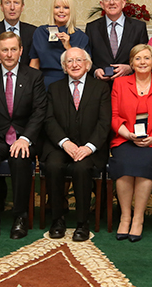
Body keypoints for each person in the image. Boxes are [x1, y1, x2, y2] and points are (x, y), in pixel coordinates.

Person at [0, 32, 47, 239]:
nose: (9, 54)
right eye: (4, 50)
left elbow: (40, 111)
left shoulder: (34, 77)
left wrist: (26, 139)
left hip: (24, 137)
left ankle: (20, 216)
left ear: (21, 51)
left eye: (14, 49)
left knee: (20, 158)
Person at [109, 44, 152, 242]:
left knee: (144, 164)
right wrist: (128, 135)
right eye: (138, 58)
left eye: (147, 58)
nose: (142, 62)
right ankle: (125, 216)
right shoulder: (120, 84)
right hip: (125, 138)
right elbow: (113, 117)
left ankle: (138, 218)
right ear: (131, 62)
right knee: (123, 164)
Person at [43, 47, 111, 242]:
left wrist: (89, 147)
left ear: (88, 65)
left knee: (81, 169)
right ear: (64, 66)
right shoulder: (54, 88)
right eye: (69, 61)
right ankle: (57, 219)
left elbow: (104, 122)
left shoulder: (101, 88)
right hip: (60, 145)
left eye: (79, 60)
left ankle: (82, 223)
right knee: (54, 166)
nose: (74, 65)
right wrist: (65, 143)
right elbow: (48, 120)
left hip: (90, 147)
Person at [85, 0, 148, 83]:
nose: (111, 2)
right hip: (100, 86)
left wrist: (130, 68)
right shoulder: (92, 28)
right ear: (102, 4)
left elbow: (145, 57)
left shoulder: (139, 27)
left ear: (123, 3)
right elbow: (86, 57)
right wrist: (95, 71)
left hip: (129, 85)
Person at [29, 0, 90, 89]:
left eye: (66, 7)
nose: (61, 11)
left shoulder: (81, 36)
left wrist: (68, 47)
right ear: (52, 10)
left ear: (71, 11)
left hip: (70, 82)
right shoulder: (40, 32)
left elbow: (84, 67)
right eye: (57, 7)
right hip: (44, 82)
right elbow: (34, 63)